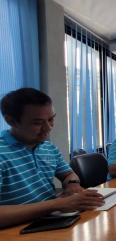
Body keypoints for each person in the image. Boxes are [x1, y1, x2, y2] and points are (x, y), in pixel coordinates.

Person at [0, 88, 104, 229]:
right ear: (11, 121)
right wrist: (57, 204)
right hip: (14, 235)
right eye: (37, 123)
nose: (48, 128)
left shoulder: (49, 147)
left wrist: (73, 184)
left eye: (51, 119)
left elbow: (68, 174)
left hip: (52, 222)